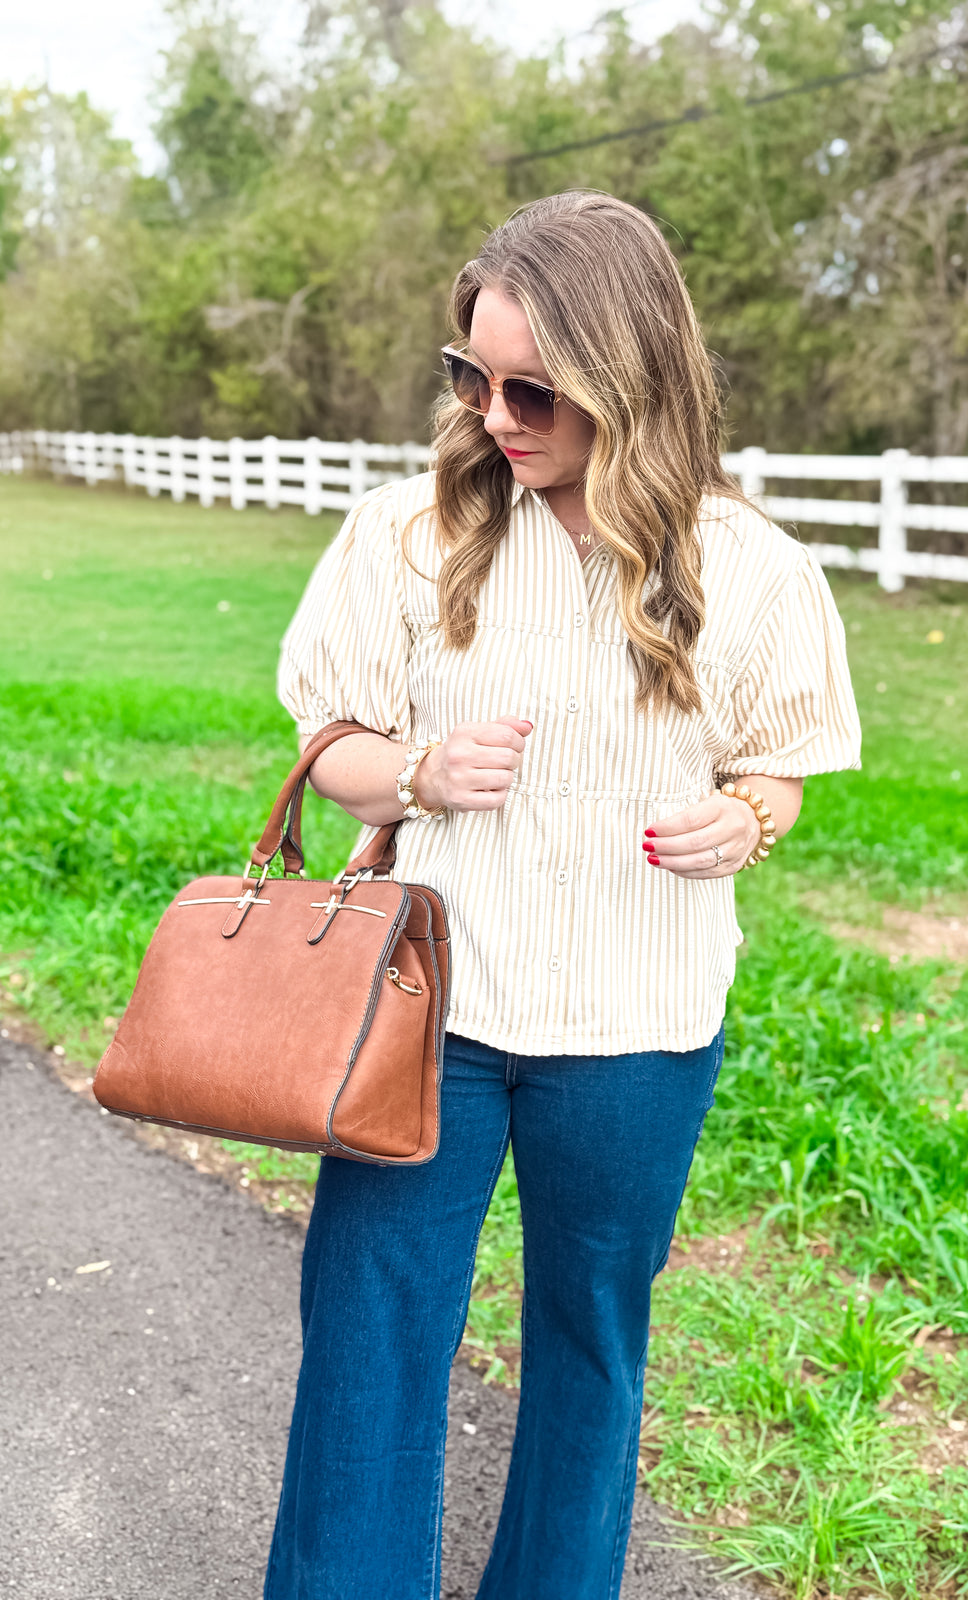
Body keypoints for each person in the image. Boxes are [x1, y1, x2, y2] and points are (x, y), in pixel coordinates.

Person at [265, 189, 861, 1600]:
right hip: (430, 1009)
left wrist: (745, 824)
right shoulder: (404, 534)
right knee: (369, 1330)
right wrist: (412, 771)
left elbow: (778, 772)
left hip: (638, 1027)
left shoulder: (759, 574)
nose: (495, 415)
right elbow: (327, 751)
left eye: (532, 387)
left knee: (590, 1347)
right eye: (471, 376)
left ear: (630, 376)